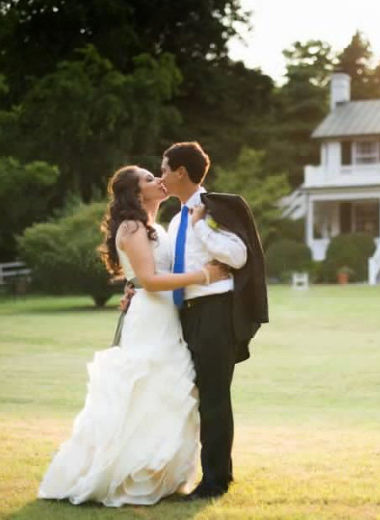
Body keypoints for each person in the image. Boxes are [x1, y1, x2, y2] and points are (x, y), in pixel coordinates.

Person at [37, 165, 230, 507]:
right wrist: (204, 275)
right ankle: (122, 473)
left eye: (157, 174)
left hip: (166, 317)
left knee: (165, 391)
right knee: (144, 389)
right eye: (147, 178)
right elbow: (151, 280)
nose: (158, 179)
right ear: (135, 192)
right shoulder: (132, 226)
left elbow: (145, 277)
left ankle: (157, 473)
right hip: (150, 319)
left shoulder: (156, 227)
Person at [158, 141, 268, 500]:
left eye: (163, 169)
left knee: (214, 398)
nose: (160, 175)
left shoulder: (214, 209)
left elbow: (238, 256)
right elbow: (169, 269)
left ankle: (216, 480)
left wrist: (201, 227)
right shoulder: (174, 221)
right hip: (183, 317)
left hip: (215, 315)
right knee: (188, 396)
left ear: (181, 173)